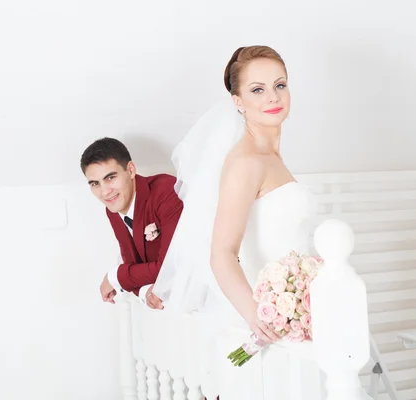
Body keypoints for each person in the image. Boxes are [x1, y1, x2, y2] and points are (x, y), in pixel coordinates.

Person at [153, 45, 322, 399]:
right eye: (257, 89)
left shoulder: (271, 156)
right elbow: (222, 253)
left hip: (297, 313)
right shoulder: (245, 162)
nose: (273, 97)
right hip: (266, 320)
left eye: (280, 85)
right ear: (238, 101)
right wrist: (261, 318)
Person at [80, 137, 183, 309]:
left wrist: (115, 277)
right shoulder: (112, 209)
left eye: (110, 177)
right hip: (175, 304)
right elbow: (132, 266)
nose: (105, 192)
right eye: (95, 184)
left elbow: (170, 267)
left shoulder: (166, 191)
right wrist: (145, 292)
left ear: (131, 170)